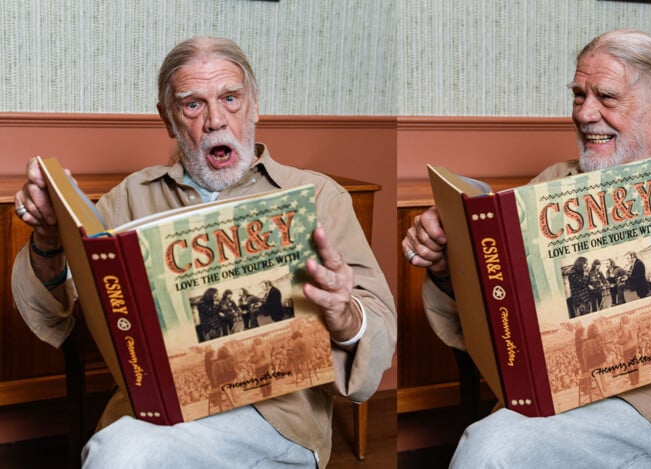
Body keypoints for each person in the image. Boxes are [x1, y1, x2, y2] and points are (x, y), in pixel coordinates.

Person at [402, 29, 651, 467]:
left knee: (491, 448)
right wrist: (444, 267)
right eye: (578, 95)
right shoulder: (552, 184)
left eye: (607, 97)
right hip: (550, 402)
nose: (586, 114)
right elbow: (495, 320)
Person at [11, 36, 396, 468]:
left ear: (253, 106)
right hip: (155, 411)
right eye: (192, 104)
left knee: (123, 455)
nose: (215, 120)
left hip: (276, 418)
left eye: (230, 98)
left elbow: (379, 333)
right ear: (168, 118)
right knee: (123, 451)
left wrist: (347, 316)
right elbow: (58, 319)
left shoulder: (319, 196)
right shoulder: (130, 199)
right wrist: (48, 240)